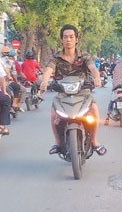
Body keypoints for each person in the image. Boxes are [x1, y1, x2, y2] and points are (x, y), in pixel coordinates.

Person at [39, 24, 107, 156]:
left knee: (94, 110)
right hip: (63, 94)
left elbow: (93, 68)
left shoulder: (84, 56)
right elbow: (48, 70)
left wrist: (97, 77)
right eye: (65, 37)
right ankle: (58, 142)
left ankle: (94, 141)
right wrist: (44, 81)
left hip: (83, 92)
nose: (68, 40)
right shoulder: (56, 57)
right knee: (54, 114)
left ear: (76, 39)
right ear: (62, 40)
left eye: (71, 37)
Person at [0, 46, 22, 111]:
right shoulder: (11, 61)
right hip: (7, 82)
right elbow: (14, 74)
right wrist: (16, 81)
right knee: (17, 87)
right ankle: (15, 104)